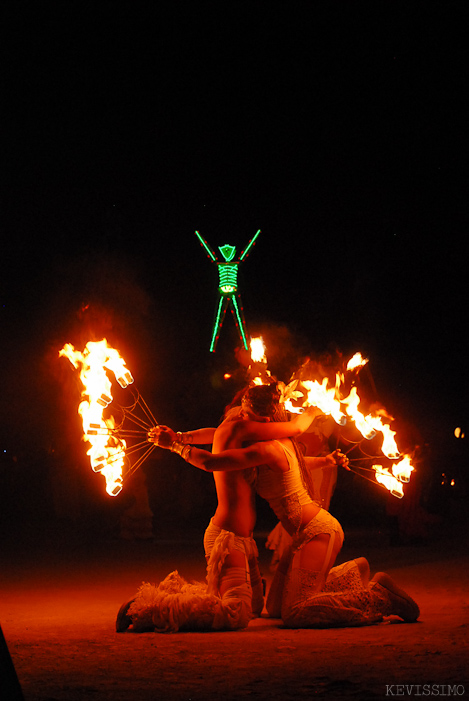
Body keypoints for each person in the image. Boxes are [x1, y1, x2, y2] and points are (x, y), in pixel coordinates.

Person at [153, 383, 420, 629]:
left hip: (317, 530)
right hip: (299, 535)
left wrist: (176, 445)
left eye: (249, 416)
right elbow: (226, 434)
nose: (241, 418)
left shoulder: (268, 449)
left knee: (296, 613)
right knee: (275, 608)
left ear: (268, 421)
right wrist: (181, 438)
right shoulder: (271, 443)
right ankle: (353, 572)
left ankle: (379, 596)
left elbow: (217, 456)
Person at [116, 390, 321, 632]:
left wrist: (181, 436)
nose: (268, 422)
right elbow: (296, 428)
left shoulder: (235, 431)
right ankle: (145, 607)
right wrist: (315, 409)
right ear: (247, 413)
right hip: (226, 538)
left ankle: (209, 592)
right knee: (233, 613)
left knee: (253, 608)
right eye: (265, 416)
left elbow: (215, 434)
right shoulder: (239, 429)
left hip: (244, 540)